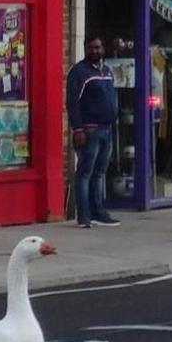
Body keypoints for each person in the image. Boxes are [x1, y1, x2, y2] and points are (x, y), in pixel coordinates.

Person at [67, 37, 120, 228]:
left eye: (98, 47)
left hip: (107, 129)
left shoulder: (106, 71)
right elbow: (72, 103)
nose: (95, 51)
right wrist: (78, 129)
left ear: (103, 48)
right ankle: (84, 216)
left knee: (99, 173)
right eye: (91, 48)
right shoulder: (79, 72)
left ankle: (98, 211)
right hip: (90, 131)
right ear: (85, 49)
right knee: (84, 173)